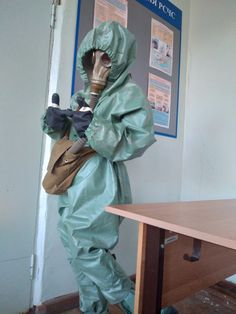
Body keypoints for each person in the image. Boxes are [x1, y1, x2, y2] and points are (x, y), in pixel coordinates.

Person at [41, 21, 176, 314]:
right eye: (94, 55)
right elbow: (69, 140)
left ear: (121, 58)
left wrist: (97, 127)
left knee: (84, 245)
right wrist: (54, 125)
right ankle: (93, 309)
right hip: (71, 183)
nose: (99, 64)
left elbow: (138, 141)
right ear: (85, 57)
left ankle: (134, 301)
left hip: (101, 183)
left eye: (108, 57)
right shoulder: (81, 96)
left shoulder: (129, 95)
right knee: (74, 248)